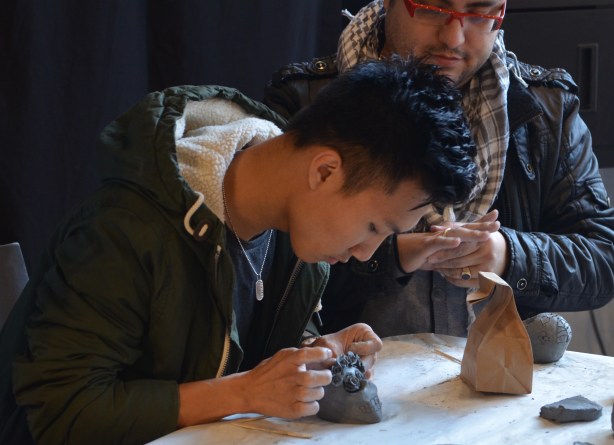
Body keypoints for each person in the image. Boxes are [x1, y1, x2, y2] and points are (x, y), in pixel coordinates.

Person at [0, 57, 478, 445]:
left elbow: (242, 341)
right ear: (325, 172)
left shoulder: (297, 234)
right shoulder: (124, 229)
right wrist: (245, 391)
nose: (363, 252)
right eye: (374, 226)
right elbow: (63, 413)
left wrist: (316, 352)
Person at [264, 0, 614, 337]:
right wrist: (393, 256)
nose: (454, 38)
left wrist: (507, 255)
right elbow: (266, 275)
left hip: (501, 385)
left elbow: (603, 261)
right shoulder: (304, 99)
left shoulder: (548, 109)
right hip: (348, 380)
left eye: (479, 13)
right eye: (432, 10)